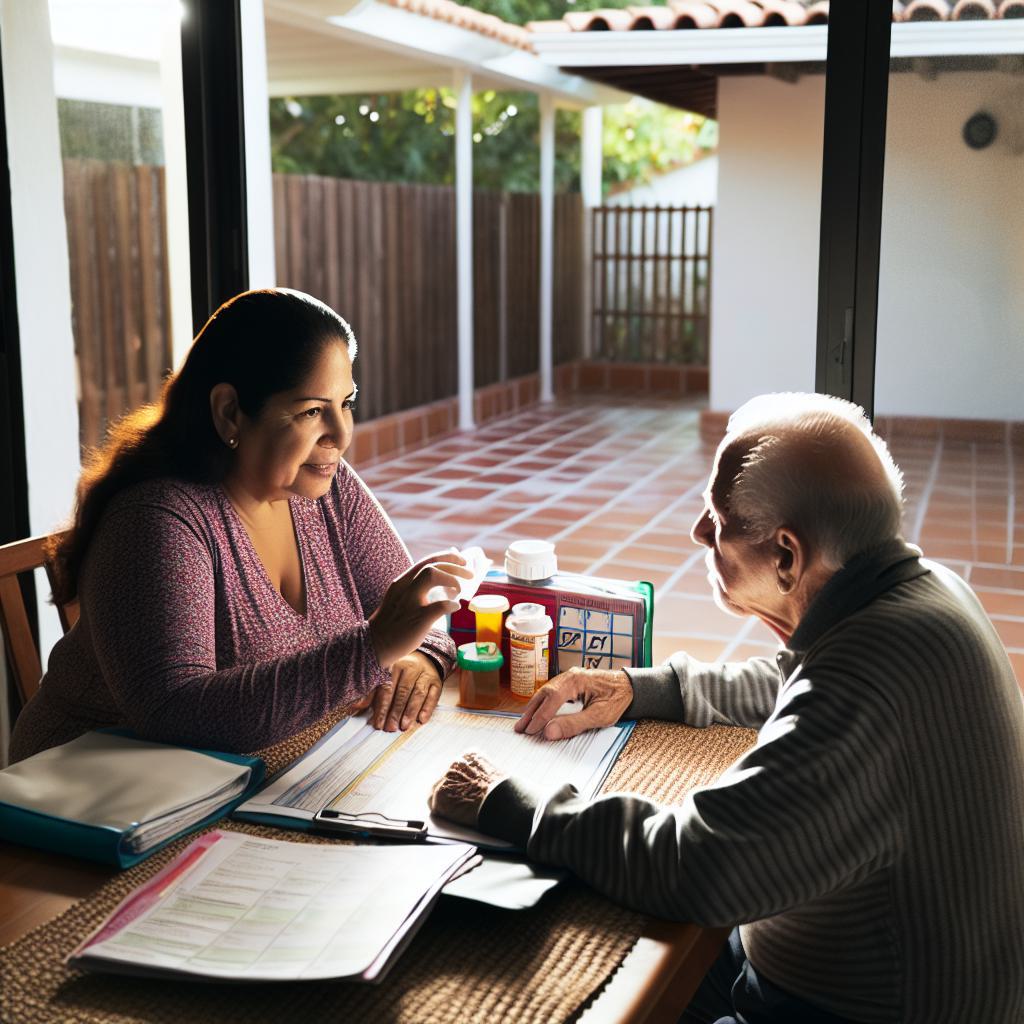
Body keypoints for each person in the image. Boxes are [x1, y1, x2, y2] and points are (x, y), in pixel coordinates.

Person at [429, 392, 1024, 1024]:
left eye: (720, 516)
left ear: (787, 558)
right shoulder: (924, 594)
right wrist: (644, 688)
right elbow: (797, 680)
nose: (699, 532)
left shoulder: (866, 685)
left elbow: (701, 867)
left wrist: (514, 805)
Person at [11, 288, 470, 763]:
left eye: (346, 403)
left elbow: (406, 610)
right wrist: (372, 650)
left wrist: (421, 657)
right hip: (98, 797)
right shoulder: (158, 520)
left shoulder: (325, 487)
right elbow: (173, 711)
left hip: (250, 775)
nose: (341, 433)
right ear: (230, 411)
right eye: (312, 410)